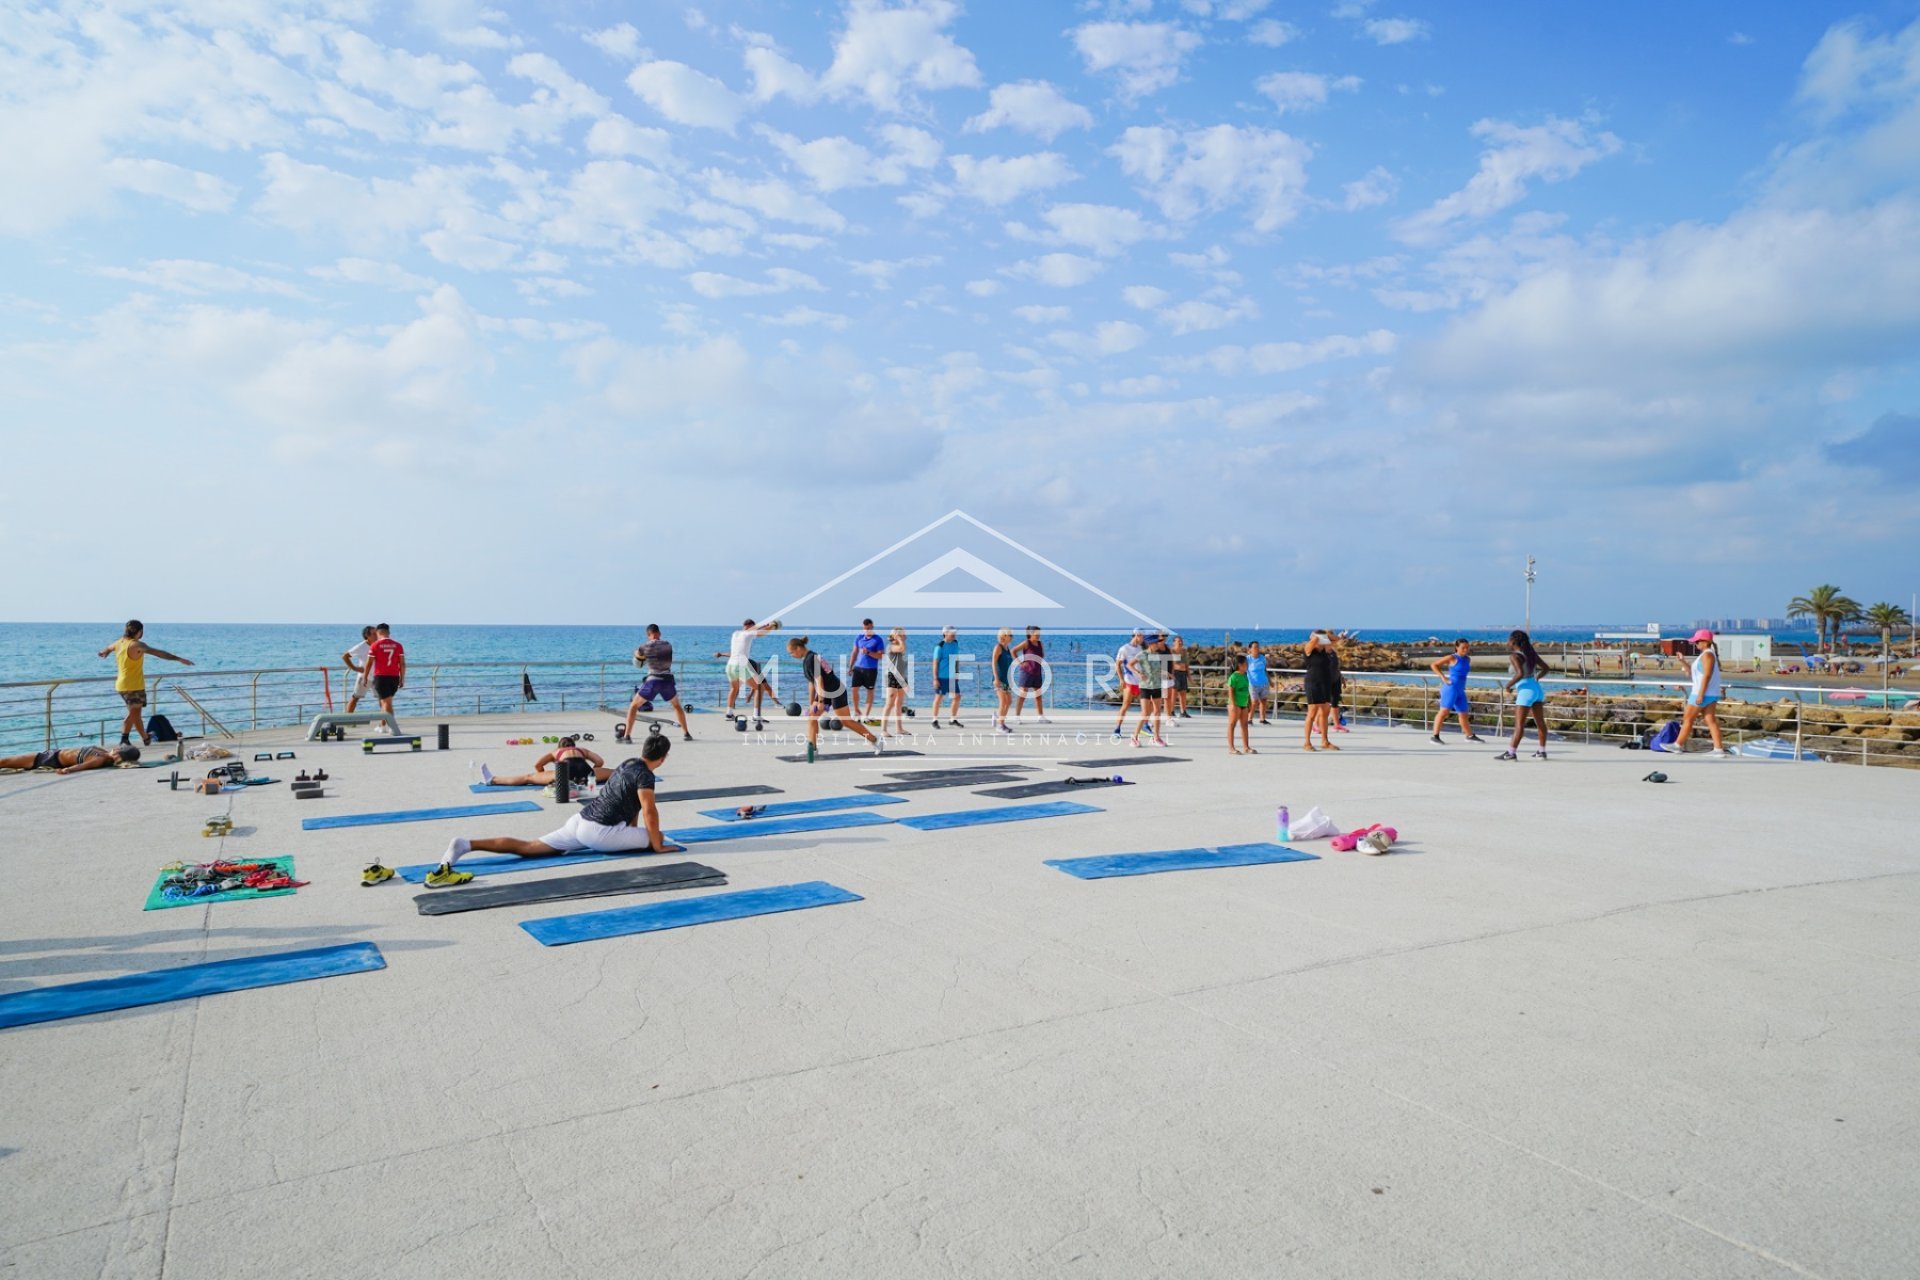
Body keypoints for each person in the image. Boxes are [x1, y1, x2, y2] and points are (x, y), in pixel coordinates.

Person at [428, 735, 686, 887]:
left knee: (528, 847)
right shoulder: (646, 776)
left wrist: (632, 833)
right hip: (598, 833)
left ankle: (466, 844)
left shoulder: (628, 763)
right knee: (659, 837)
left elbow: (633, 805)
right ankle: (649, 841)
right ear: (663, 758)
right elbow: (649, 811)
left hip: (580, 821)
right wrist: (656, 845)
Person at [98, 620, 192, 745]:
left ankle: (125, 739)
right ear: (139, 631)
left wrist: (105, 652)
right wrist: (178, 658)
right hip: (133, 686)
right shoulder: (137, 645)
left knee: (133, 713)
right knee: (135, 714)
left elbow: (109, 648)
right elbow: (159, 653)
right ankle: (144, 738)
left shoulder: (119, 642)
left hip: (122, 684)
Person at [790, 635, 882, 754]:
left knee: (846, 722)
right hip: (825, 691)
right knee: (812, 717)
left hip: (836, 690)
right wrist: (812, 703)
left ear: (798, 648)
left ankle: (875, 740)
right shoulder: (808, 659)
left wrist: (821, 702)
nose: (791, 655)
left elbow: (819, 680)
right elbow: (812, 683)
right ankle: (812, 749)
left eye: (791, 652)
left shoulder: (811, 659)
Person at [1667, 629, 1729, 757]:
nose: (1695, 644)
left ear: (1705, 642)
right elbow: (1692, 672)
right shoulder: (1706, 655)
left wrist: (1701, 694)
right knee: (1710, 720)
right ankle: (1718, 749)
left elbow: (1707, 675)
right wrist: (1682, 661)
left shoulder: (1707, 655)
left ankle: (1678, 745)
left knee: (1688, 718)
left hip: (1701, 693)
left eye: (1697, 641)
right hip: (1710, 693)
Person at [625, 624, 691, 742]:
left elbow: (638, 656)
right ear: (659, 633)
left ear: (648, 635)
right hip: (667, 681)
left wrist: (636, 653)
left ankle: (627, 736)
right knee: (677, 706)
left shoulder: (645, 646)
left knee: (633, 706)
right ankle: (686, 734)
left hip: (653, 681)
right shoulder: (668, 645)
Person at [1497, 629, 1550, 760]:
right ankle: (1541, 751)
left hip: (1525, 691)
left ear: (1513, 641)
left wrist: (1508, 686)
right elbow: (1546, 668)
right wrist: (1537, 678)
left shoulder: (1515, 656)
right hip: (1536, 689)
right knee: (1540, 722)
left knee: (1519, 724)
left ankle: (1511, 753)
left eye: (1509, 639)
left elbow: (1519, 674)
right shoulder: (1530, 653)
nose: (1507, 642)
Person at [478, 737, 610, 788]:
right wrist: (592, 772)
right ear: (574, 746)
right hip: (586, 771)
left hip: (564, 771)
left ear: (559, 746)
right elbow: (599, 761)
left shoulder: (556, 752)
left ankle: (492, 780)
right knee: (613, 772)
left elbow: (538, 765)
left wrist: (543, 776)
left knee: (528, 777)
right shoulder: (582, 750)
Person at [718, 619, 778, 720]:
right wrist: (772, 626)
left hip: (730, 665)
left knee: (734, 689)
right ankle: (756, 715)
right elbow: (761, 633)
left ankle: (729, 714)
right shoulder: (748, 634)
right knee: (760, 687)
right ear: (750, 626)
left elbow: (755, 630)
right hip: (741, 665)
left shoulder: (736, 633)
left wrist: (764, 625)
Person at [1429, 639, 1483, 743]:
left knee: (1463, 714)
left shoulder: (1468, 659)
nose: (1466, 649)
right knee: (1444, 712)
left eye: (1467, 647)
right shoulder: (1452, 657)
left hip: (1460, 690)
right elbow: (1434, 665)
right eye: (1463, 648)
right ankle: (1435, 737)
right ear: (1457, 647)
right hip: (1451, 688)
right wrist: (1443, 677)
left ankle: (1469, 736)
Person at [1302, 629, 1338, 751]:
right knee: (1312, 713)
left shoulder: (1325, 649)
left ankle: (1325, 741)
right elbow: (1311, 644)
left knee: (1325, 712)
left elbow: (1337, 640)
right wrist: (1316, 637)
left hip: (1325, 683)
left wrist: (1326, 635)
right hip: (1313, 683)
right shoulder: (1309, 649)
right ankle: (1307, 742)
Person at [1, 743, 140, 774]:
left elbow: (82, 766)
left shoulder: (99, 759)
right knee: (6, 761)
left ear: (118, 754)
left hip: (48, 759)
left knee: (5, 762)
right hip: (52, 753)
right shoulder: (102, 753)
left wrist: (66, 770)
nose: (116, 748)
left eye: (118, 749)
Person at [1131, 635, 1168, 747]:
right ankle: (1134, 737)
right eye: (1156, 642)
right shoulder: (1142, 654)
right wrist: (1138, 673)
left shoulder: (1157, 655)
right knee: (1145, 713)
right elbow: (1129, 665)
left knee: (1157, 712)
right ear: (1150, 644)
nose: (1158, 644)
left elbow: (1157, 670)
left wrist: (1166, 674)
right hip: (1145, 686)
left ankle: (1156, 738)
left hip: (1157, 685)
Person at [847, 619, 886, 723]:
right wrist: (850, 667)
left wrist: (868, 652)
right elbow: (854, 652)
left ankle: (866, 715)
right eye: (865, 628)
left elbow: (881, 656)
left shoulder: (878, 640)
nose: (867, 630)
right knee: (854, 689)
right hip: (858, 668)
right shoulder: (859, 637)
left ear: (872, 627)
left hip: (871, 670)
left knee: (870, 691)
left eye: (869, 628)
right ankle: (856, 711)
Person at [1011, 625, 1050, 724]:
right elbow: (1013, 651)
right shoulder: (1026, 643)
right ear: (1031, 634)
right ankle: (1017, 717)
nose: (1038, 635)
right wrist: (1021, 663)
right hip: (1026, 672)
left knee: (1038, 696)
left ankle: (1040, 717)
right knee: (1022, 694)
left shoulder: (1040, 644)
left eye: (1039, 633)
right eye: (1036, 634)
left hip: (1037, 672)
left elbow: (1041, 656)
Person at [1110, 630, 1144, 740]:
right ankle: (1117, 729)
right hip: (1129, 681)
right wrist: (1121, 679)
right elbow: (1117, 664)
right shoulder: (1124, 648)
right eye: (1142, 636)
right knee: (1125, 705)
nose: (1143, 638)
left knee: (1146, 706)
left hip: (1140, 682)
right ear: (1136, 635)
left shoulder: (1140, 648)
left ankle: (1145, 727)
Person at [929, 625, 964, 728]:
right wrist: (935, 679)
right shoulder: (939, 647)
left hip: (952, 677)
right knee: (939, 697)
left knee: (957, 696)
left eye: (954, 633)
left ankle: (953, 719)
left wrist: (957, 673)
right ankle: (934, 720)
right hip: (942, 677)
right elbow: (935, 663)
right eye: (952, 633)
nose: (954, 634)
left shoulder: (955, 644)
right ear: (945, 633)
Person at [366, 623, 404, 718]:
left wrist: (365, 676)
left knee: (386, 703)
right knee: (385, 701)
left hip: (381, 677)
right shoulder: (398, 645)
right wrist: (402, 678)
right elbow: (402, 664)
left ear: (378, 632)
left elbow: (369, 663)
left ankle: (392, 724)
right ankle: (382, 724)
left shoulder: (375, 645)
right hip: (394, 677)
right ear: (388, 632)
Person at [881, 626, 910, 737]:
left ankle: (899, 729)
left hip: (901, 677)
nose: (905, 636)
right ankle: (883, 730)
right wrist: (899, 639)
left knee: (899, 704)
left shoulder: (900, 645)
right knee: (889, 703)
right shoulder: (891, 647)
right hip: (892, 676)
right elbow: (902, 648)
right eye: (902, 634)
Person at [342, 625, 376, 714]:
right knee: (355, 698)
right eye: (374, 634)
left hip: (377, 677)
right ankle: (348, 718)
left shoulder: (379, 645)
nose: (376, 635)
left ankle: (385, 721)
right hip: (364, 677)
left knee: (383, 699)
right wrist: (354, 668)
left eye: (377, 633)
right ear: (367, 635)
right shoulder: (361, 646)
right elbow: (345, 656)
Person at [1224, 655, 1253, 754]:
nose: (1247, 665)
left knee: (1244, 725)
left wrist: (1249, 702)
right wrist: (1233, 705)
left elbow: (1247, 690)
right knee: (1232, 724)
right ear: (1239, 665)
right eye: (1245, 663)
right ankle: (1231, 748)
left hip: (1244, 704)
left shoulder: (1245, 676)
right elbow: (1231, 691)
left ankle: (1246, 747)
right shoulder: (1233, 677)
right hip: (1235, 705)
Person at [990, 627, 1014, 734]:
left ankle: (999, 719)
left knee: (1009, 701)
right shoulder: (998, 647)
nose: (1012, 637)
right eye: (1010, 635)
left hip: (1007, 679)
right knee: (1003, 701)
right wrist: (996, 678)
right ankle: (1000, 725)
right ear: (1004, 636)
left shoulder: (1007, 649)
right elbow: (993, 663)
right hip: (999, 679)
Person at [1246, 641, 1272, 724]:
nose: (1257, 648)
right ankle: (1249, 719)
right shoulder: (1247, 659)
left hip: (1264, 683)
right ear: (1250, 649)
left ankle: (1262, 719)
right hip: (1253, 684)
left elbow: (1265, 670)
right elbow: (1243, 671)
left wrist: (1270, 681)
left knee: (1263, 701)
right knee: (1254, 702)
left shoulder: (1262, 658)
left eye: (1258, 647)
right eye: (1255, 647)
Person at [1169, 635, 1191, 718]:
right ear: (1174, 642)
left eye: (1181, 641)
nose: (1180, 642)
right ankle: (1171, 711)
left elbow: (1186, 664)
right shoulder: (1171, 651)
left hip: (1183, 673)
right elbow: (1169, 663)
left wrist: (1189, 675)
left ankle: (1183, 711)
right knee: (1174, 693)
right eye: (1178, 641)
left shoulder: (1184, 651)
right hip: (1175, 673)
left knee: (1183, 693)